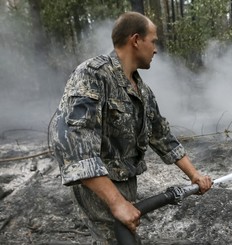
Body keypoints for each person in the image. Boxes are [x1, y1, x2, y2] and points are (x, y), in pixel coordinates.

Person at [49, 12, 212, 244]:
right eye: (153, 41)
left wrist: (195, 175)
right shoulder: (92, 75)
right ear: (136, 40)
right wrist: (116, 202)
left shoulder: (142, 90)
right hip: (100, 187)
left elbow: (162, 135)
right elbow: (75, 146)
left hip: (126, 184)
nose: (156, 49)